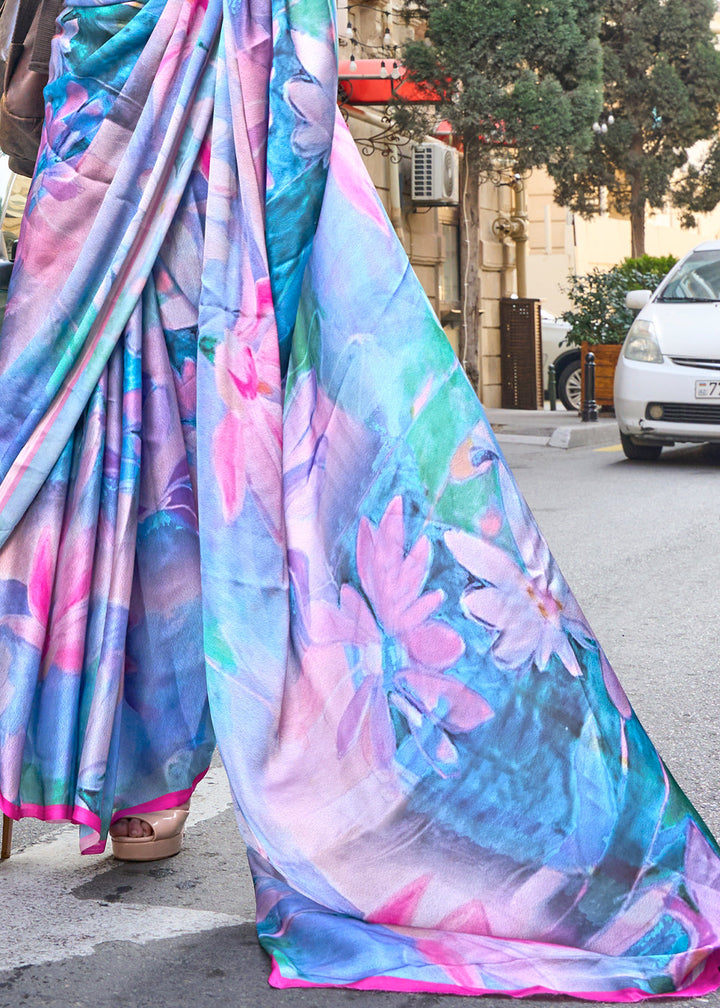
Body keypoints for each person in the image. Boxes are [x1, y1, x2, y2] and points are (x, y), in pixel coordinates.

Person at [2, 0, 720, 997]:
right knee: (144, 445)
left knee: (90, 437)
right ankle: (125, 782)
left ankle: (87, 762)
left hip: (129, 96)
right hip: (172, 93)